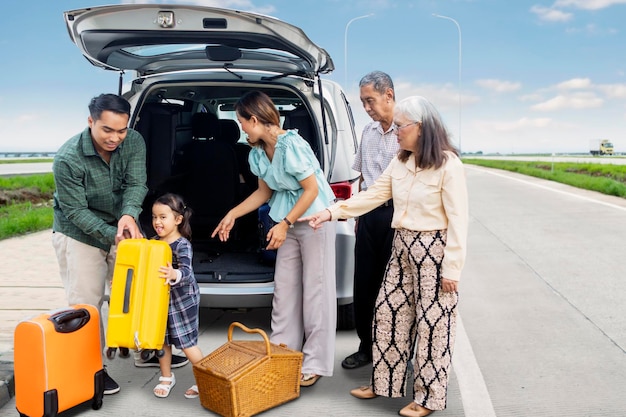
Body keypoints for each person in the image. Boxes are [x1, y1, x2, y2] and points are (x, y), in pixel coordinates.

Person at [301, 96, 468, 417]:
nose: (396, 132)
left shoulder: (449, 164)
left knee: (434, 327)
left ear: (421, 128)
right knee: (387, 314)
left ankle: (428, 398)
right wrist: (332, 212)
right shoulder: (401, 161)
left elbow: (459, 220)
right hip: (402, 246)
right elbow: (374, 195)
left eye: (402, 127)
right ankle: (384, 383)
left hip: (434, 251)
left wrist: (453, 269)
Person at [51, 94, 186, 396]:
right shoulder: (67, 158)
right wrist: (112, 234)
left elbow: (137, 183)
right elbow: (75, 212)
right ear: (91, 122)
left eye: (121, 130)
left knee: (137, 291)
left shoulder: (134, 141)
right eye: (107, 130)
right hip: (79, 232)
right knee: (88, 303)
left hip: (121, 223)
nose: (115, 138)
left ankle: (143, 349)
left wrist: (128, 215)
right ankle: (94, 370)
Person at [212, 90, 337, 387]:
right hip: (286, 223)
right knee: (284, 291)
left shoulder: (291, 144)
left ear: (254, 119)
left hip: (314, 219)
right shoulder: (257, 152)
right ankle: (282, 353)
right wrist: (232, 214)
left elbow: (310, 190)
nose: (241, 129)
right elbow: (263, 192)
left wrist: (285, 223)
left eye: (242, 123)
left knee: (316, 294)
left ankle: (314, 363)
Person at [342, 70, 399, 370]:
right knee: (363, 284)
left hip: (397, 217)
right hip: (368, 216)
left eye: (370, 101)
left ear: (388, 95)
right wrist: (358, 215)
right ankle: (366, 346)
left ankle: (397, 350)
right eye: (363, 102)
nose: (367, 108)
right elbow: (363, 175)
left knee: (394, 286)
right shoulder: (368, 132)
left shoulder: (408, 131)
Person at [150, 193, 204, 399]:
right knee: (161, 341)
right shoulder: (153, 243)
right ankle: (166, 377)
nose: (157, 222)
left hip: (182, 302)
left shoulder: (182, 245)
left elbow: (188, 273)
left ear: (178, 219)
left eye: (163, 217)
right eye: (154, 217)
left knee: (187, 343)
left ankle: (205, 377)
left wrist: (175, 273)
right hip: (160, 301)